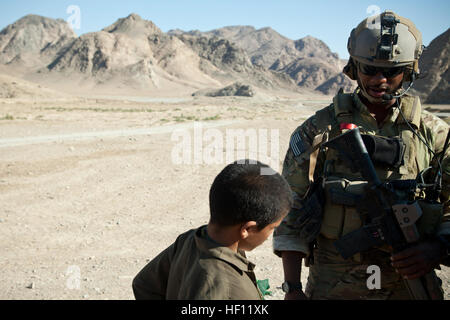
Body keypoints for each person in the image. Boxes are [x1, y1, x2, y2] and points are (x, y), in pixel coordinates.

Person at [273, 10, 450, 300]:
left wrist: (438, 248)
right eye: (369, 69)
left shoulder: (434, 136)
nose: (380, 80)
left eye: (392, 71)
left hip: (409, 282)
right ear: (354, 68)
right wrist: (292, 287)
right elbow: (290, 210)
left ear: (410, 70)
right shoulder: (318, 130)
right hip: (333, 283)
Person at [133, 160, 293, 300]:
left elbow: (144, 284)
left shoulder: (191, 239)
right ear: (247, 229)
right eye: (273, 228)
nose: (270, 235)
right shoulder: (225, 288)